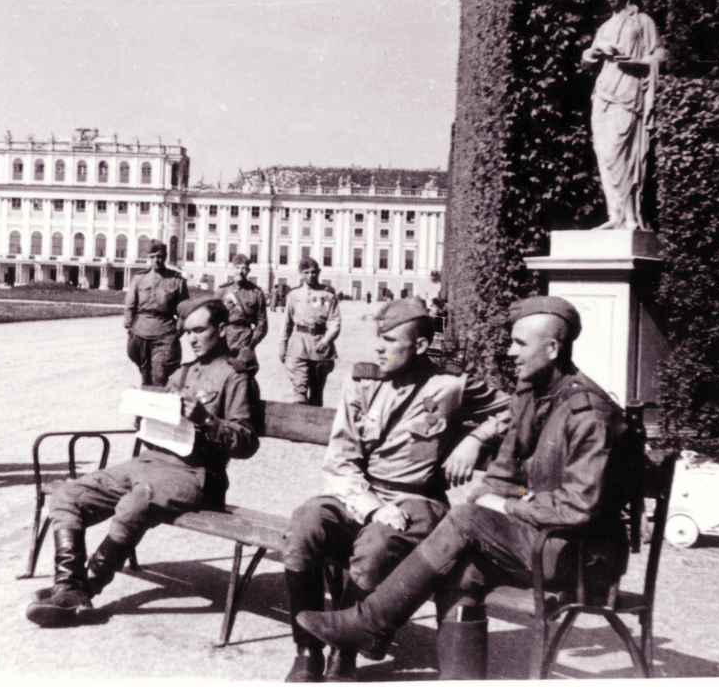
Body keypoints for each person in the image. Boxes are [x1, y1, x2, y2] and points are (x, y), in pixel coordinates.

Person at [297, 296, 633, 680]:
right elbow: (502, 474)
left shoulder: (588, 413)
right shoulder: (531, 394)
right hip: (540, 540)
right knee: (462, 568)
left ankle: (370, 624)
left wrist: (507, 509)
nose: (510, 352)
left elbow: (579, 508)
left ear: (553, 348)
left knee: (466, 520)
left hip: (584, 557)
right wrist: (480, 462)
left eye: (519, 344)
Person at [282, 298, 511, 682]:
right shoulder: (363, 380)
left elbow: (520, 407)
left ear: (420, 346)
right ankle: (307, 652)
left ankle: (345, 653)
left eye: (389, 340)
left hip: (418, 500)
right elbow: (340, 460)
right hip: (362, 493)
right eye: (379, 338)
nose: (378, 348)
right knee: (304, 524)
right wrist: (370, 506)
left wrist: (478, 438)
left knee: (376, 544)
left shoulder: (451, 384)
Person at [26, 297, 262, 628]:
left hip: (196, 474)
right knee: (67, 494)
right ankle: (68, 586)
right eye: (187, 332)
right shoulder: (182, 373)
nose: (191, 339)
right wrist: (144, 414)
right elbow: (162, 421)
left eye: (199, 330)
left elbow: (247, 442)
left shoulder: (235, 377)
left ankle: (88, 587)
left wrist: (208, 421)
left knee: (135, 503)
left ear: (221, 330)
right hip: (151, 461)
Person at [582, 0, 663, 230]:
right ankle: (615, 215)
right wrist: (592, 52)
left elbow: (660, 54)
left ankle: (629, 217)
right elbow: (587, 62)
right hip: (603, 93)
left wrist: (639, 62)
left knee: (622, 153)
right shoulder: (605, 26)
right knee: (605, 154)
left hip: (628, 92)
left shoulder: (643, 22)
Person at [123, 240, 189, 387]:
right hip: (140, 333)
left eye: (159, 256)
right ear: (148, 257)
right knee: (145, 376)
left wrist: (176, 332)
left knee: (159, 376)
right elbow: (130, 305)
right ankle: (146, 408)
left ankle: (157, 405)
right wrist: (130, 328)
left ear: (165, 256)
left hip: (165, 334)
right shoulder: (139, 279)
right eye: (152, 257)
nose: (156, 260)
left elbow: (185, 311)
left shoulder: (176, 280)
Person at [280, 258, 341, 406]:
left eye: (313, 272)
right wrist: (283, 344)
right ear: (300, 274)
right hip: (298, 344)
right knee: (299, 389)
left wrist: (326, 340)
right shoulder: (294, 295)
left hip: (320, 344)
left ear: (319, 272)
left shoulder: (328, 296)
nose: (310, 275)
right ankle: (298, 424)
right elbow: (286, 323)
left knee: (317, 392)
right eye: (306, 272)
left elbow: (334, 322)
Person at [218, 254, 268, 359]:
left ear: (248, 271)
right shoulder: (221, 291)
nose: (240, 272)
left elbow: (262, 323)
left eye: (244, 268)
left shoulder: (256, 293)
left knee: (245, 373)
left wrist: (251, 344)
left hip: (245, 340)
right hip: (223, 341)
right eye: (237, 268)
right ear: (232, 269)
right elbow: (212, 319)